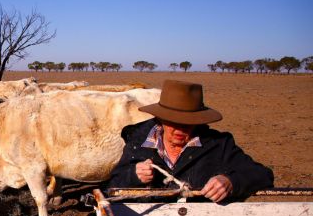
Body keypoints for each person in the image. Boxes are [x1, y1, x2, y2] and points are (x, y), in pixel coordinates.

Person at [108, 80, 273, 202]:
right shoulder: (137, 143)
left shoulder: (218, 145)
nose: (180, 130)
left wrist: (231, 181)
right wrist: (133, 175)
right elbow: (111, 187)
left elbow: (262, 175)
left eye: (188, 123)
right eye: (173, 121)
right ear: (160, 118)